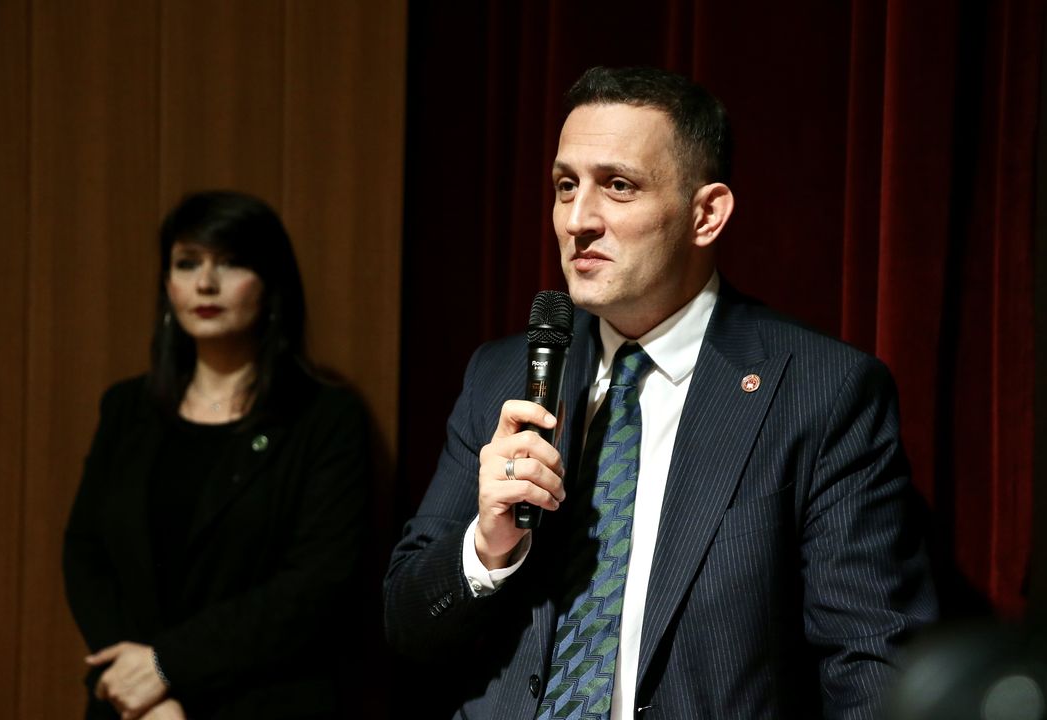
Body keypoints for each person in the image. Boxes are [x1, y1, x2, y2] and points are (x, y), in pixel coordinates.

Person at [385, 66, 937, 718]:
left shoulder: (822, 392)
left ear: (706, 214)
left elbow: (873, 666)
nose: (578, 220)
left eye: (618, 186)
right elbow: (407, 628)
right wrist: (486, 548)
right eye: (566, 186)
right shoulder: (503, 375)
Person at [63, 191, 370, 719]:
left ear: (270, 282)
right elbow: (85, 554)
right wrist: (141, 688)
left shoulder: (325, 417)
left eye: (230, 262)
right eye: (187, 263)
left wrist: (166, 666)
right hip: (135, 709)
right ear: (167, 283)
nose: (205, 283)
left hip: (265, 701)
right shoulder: (127, 408)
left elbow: (317, 584)